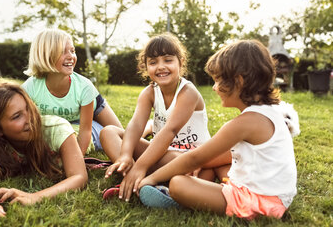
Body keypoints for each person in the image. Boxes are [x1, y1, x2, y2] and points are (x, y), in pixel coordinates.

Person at [138, 40, 299, 220]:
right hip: (277, 198)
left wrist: (151, 178)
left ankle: (176, 198)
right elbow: (213, 157)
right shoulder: (271, 113)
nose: (214, 88)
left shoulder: (244, 123)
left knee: (178, 184)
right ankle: (204, 191)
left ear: (239, 81)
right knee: (220, 164)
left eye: (218, 81)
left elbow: (194, 158)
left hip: (258, 203)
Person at [100, 33, 231, 202]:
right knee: (109, 132)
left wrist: (141, 165)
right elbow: (135, 125)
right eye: (153, 62)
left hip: (190, 157)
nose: (161, 67)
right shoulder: (149, 93)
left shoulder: (188, 93)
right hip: (161, 154)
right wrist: (125, 154)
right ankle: (131, 174)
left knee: (200, 171)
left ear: (180, 62)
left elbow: (170, 130)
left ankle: (142, 179)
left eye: (168, 60)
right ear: (145, 67)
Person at [0, 81, 88, 219]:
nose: (30, 118)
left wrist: (35, 197)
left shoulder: (57, 129)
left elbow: (79, 177)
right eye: (17, 116)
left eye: (29, 108)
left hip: (84, 135)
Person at [21, 29, 122, 155]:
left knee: (122, 136)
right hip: (64, 122)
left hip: (92, 106)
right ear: (45, 55)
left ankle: (148, 128)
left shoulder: (84, 87)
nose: (71, 56)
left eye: (72, 51)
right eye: (63, 52)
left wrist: (77, 159)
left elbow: (85, 131)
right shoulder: (30, 87)